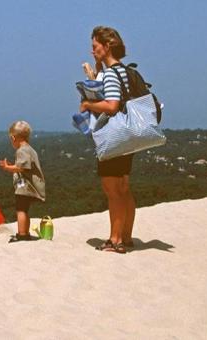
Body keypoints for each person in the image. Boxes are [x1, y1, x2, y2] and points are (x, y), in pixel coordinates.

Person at [78, 26, 135, 254]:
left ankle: (115, 240)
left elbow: (111, 106)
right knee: (123, 188)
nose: (92, 51)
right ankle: (126, 236)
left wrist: (87, 104)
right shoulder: (124, 71)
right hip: (128, 137)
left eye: (95, 46)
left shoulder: (111, 73)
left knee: (112, 190)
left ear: (107, 45)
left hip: (114, 137)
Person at [0, 121, 46, 242]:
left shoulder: (22, 150)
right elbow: (23, 165)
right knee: (24, 210)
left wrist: (7, 168)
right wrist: (12, 165)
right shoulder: (30, 149)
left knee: (20, 210)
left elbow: (23, 167)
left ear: (13, 137)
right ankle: (25, 232)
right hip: (29, 186)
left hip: (25, 186)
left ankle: (22, 234)